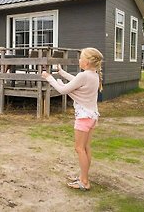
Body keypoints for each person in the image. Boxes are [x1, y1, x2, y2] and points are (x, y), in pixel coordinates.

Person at [41, 47, 103, 191]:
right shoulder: (94, 75)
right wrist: (62, 73)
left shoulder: (84, 76)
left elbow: (63, 90)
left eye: (81, 58)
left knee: (79, 148)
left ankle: (85, 181)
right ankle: (83, 177)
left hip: (83, 118)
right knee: (86, 147)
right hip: (92, 116)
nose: (79, 60)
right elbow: (76, 81)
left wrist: (48, 77)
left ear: (87, 62)